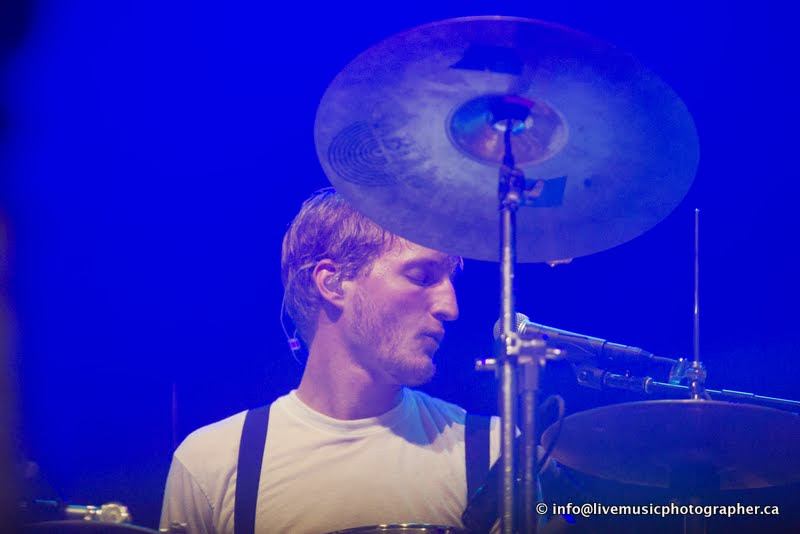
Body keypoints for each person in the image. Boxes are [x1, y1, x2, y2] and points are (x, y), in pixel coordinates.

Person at [160, 188, 501, 534]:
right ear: (334, 283)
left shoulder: (495, 453)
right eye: (422, 277)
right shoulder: (212, 465)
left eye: (449, 281)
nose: (450, 308)